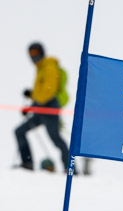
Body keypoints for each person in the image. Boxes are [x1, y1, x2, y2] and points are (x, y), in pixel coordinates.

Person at [15, 42, 74, 173]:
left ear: (41, 52)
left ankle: (70, 168)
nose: (33, 57)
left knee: (56, 139)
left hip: (49, 110)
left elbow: (49, 91)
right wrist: (31, 95)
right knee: (20, 131)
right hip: (41, 109)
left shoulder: (49, 67)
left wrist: (31, 107)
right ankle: (27, 163)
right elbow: (42, 92)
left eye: (35, 53)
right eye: (31, 54)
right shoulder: (41, 68)